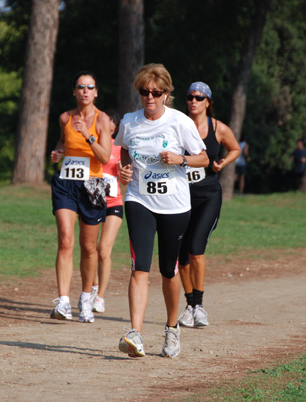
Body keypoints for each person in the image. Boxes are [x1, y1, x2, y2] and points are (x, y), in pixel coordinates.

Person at [115, 64, 209, 358]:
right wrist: (125, 168)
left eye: (156, 92)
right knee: (139, 266)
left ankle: (172, 328)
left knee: (169, 270)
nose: (150, 97)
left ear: (167, 94)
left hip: (175, 206)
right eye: (144, 92)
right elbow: (125, 149)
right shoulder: (129, 122)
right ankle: (136, 334)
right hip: (139, 200)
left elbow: (204, 158)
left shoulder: (180, 122)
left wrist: (181, 159)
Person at [49, 71, 112, 323]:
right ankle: (63, 301)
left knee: (88, 247)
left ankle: (86, 298)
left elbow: (105, 157)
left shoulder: (102, 119)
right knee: (65, 240)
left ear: (96, 92)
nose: (85, 91)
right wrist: (58, 152)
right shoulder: (65, 117)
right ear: (74, 91)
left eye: (90, 87)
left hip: (93, 185)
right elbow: (63, 143)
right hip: (66, 183)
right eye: (80, 87)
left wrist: (88, 134)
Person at [178, 82, 241, 328]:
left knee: (196, 248)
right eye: (190, 96)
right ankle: (189, 305)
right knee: (181, 256)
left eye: (199, 97)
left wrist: (222, 163)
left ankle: (200, 306)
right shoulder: (178, 125)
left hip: (208, 196)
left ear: (208, 102)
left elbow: (235, 148)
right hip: (180, 196)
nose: (194, 101)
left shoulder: (218, 128)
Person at [89, 110, 123, 313]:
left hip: (114, 203)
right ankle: (92, 289)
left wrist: (124, 170)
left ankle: (100, 296)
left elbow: (126, 174)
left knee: (103, 250)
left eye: (111, 120)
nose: (107, 123)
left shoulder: (119, 148)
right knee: (90, 250)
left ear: (115, 127)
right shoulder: (92, 144)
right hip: (93, 201)